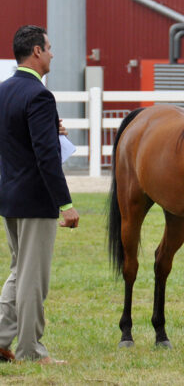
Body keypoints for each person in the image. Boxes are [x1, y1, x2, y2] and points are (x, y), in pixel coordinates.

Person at [0, 25, 79, 364]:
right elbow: (46, 157)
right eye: (48, 47)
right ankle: (31, 349)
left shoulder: (4, 91)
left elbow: (15, 138)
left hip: (10, 196)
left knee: (19, 271)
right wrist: (66, 204)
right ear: (36, 51)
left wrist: (50, 129)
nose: (52, 53)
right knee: (34, 279)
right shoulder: (40, 95)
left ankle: (1, 338)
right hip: (35, 200)